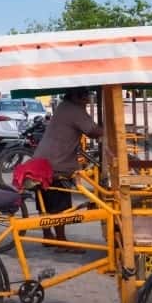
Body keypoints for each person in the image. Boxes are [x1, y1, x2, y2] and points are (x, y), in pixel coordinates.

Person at [31, 88, 104, 252]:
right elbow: (92, 130)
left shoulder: (64, 106)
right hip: (56, 163)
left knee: (45, 201)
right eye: (85, 96)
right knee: (60, 205)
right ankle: (62, 242)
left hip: (42, 160)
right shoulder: (74, 110)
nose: (88, 99)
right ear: (76, 96)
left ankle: (48, 236)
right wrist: (111, 131)